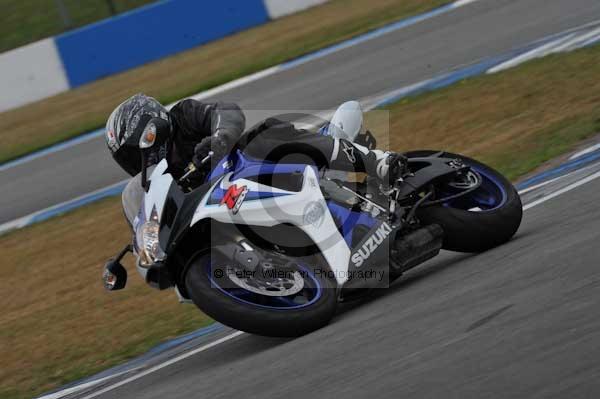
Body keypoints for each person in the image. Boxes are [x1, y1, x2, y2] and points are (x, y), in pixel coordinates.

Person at [105, 94, 406, 226]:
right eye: (128, 158)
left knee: (265, 134)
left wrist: (221, 138)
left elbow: (226, 111)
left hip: (249, 169)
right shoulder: (156, 184)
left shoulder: (182, 116)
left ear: (150, 130)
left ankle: (374, 162)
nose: (137, 161)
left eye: (135, 151)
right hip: (230, 209)